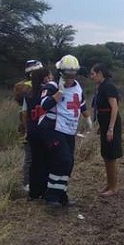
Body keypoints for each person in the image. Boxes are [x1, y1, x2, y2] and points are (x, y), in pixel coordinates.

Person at [36, 55, 90, 207]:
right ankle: (51, 196)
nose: (70, 78)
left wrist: (88, 119)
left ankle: (61, 194)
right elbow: (44, 105)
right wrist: (59, 92)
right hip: (52, 129)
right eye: (67, 74)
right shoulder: (52, 86)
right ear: (61, 72)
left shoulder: (77, 87)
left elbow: (81, 104)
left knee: (69, 163)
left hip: (69, 129)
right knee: (62, 159)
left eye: (73, 74)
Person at [90, 63, 123, 197]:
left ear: (99, 73)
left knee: (111, 156)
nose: (91, 77)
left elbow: (114, 108)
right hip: (104, 124)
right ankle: (109, 184)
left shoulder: (109, 86)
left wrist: (110, 128)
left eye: (93, 74)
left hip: (111, 124)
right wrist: (101, 126)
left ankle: (114, 187)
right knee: (106, 155)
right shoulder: (101, 86)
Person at [23, 65, 54, 201]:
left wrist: (27, 128)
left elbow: (24, 113)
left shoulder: (28, 94)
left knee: (34, 162)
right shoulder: (47, 92)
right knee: (47, 161)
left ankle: (33, 192)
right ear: (45, 78)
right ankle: (45, 190)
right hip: (45, 130)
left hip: (32, 130)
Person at [15, 60, 44, 192]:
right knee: (30, 157)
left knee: (34, 156)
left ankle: (33, 181)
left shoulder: (25, 87)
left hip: (33, 123)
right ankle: (27, 182)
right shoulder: (26, 87)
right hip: (30, 123)